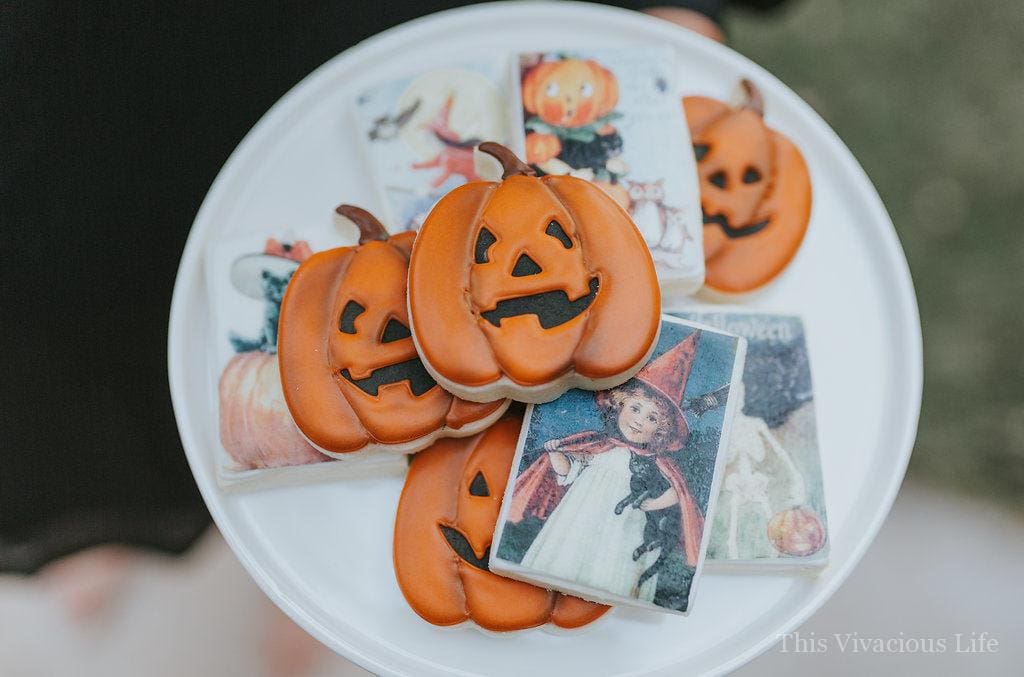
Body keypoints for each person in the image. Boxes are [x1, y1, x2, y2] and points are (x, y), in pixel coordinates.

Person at [508, 333, 706, 601]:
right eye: (635, 408)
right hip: (579, 519)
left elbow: (678, 493)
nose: (638, 421)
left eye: (651, 418)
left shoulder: (656, 464)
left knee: (613, 567)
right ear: (620, 404)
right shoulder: (599, 446)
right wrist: (556, 454)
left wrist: (652, 504)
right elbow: (567, 475)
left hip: (625, 528)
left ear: (661, 430)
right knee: (567, 556)